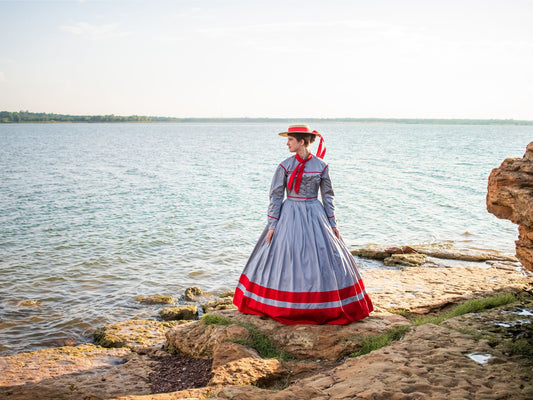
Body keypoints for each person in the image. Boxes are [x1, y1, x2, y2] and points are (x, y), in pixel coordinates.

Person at [233, 125, 373, 325]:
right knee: (286, 256)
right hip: (289, 213)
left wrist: (332, 224)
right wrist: (272, 225)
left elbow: (328, 197)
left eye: (290, 139)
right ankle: (281, 303)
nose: (287, 143)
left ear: (302, 142)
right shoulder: (284, 166)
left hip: (315, 214)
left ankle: (320, 305)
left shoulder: (322, 165)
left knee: (321, 256)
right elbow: (275, 196)